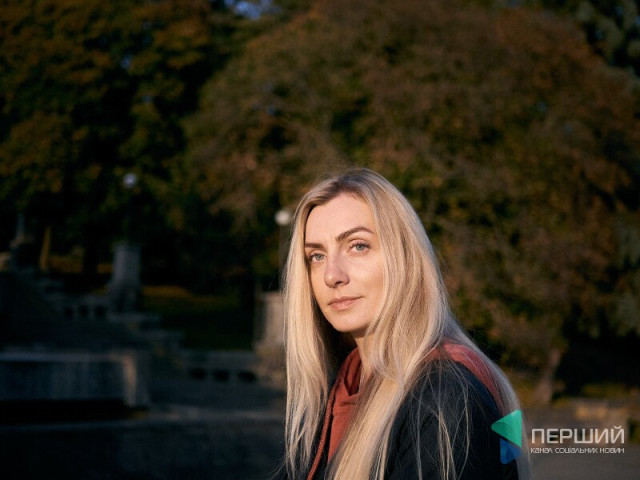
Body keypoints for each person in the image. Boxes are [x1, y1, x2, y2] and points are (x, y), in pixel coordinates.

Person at [276, 168, 529, 479]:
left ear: (406, 258)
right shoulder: (339, 391)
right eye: (316, 256)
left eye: (358, 246)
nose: (332, 275)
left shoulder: (446, 400)